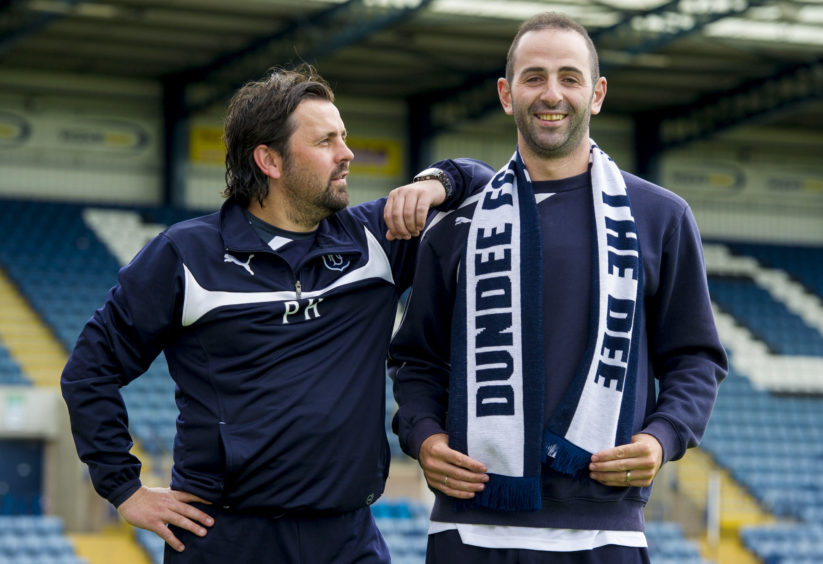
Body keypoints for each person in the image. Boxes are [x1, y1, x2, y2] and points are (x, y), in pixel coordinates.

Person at [60, 65, 473, 564]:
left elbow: (489, 191)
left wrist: (436, 182)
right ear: (270, 160)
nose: (347, 155)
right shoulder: (185, 254)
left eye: (343, 137)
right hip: (225, 539)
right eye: (326, 142)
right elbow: (89, 371)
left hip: (348, 539)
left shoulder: (377, 239)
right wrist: (124, 489)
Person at [389, 12, 728, 564]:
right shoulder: (454, 226)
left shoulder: (660, 217)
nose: (552, 94)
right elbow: (416, 361)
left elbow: (696, 356)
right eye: (534, 77)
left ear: (596, 94)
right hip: (471, 527)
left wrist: (661, 438)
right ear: (506, 94)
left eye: (570, 78)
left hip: (605, 531)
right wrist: (425, 437)